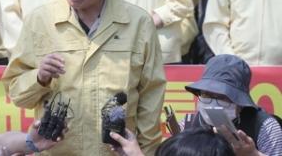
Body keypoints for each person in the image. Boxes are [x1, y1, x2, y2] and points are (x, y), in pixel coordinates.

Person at [2, 0, 166, 155]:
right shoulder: (40, 21)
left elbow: (151, 96)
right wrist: (39, 77)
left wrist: (145, 153)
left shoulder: (137, 23)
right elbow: (16, 93)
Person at [112, 55, 282, 156]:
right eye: (207, 94)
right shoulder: (189, 123)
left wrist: (253, 155)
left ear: (240, 101)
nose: (214, 102)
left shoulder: (265, 127)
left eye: (222, 96)